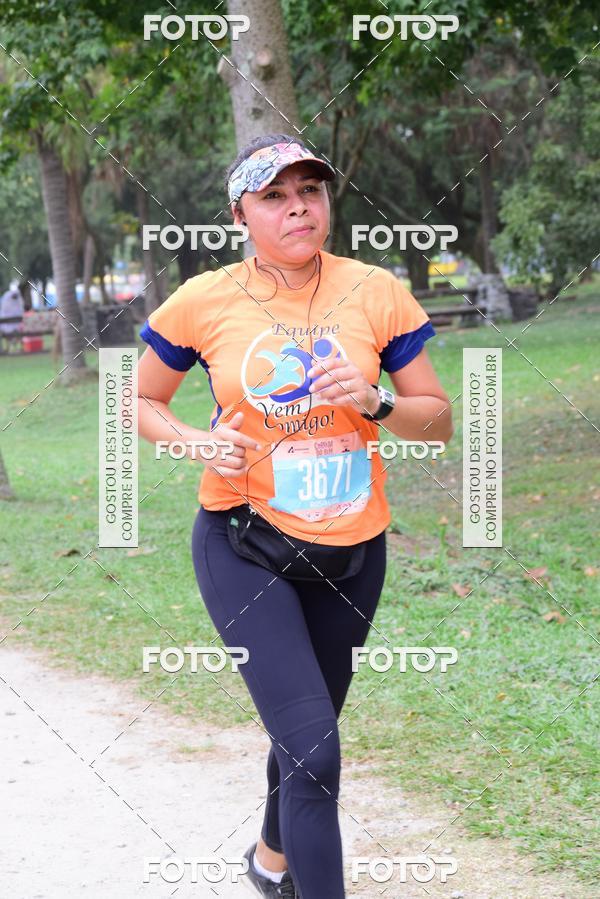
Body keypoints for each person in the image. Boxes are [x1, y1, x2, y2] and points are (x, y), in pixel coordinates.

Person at [136, 133, 454, 898]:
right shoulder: (204, 299)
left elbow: (438, 421)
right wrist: (195, 441)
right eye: (274, 196)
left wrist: (376, 401)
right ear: (239, 214)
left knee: (306, 736)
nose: (297, 208)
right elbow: (141, 399)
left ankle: (270, 857)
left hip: (353, 551)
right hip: (244, 543)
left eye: (310, 191)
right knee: (315, 750)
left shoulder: (375, 291)